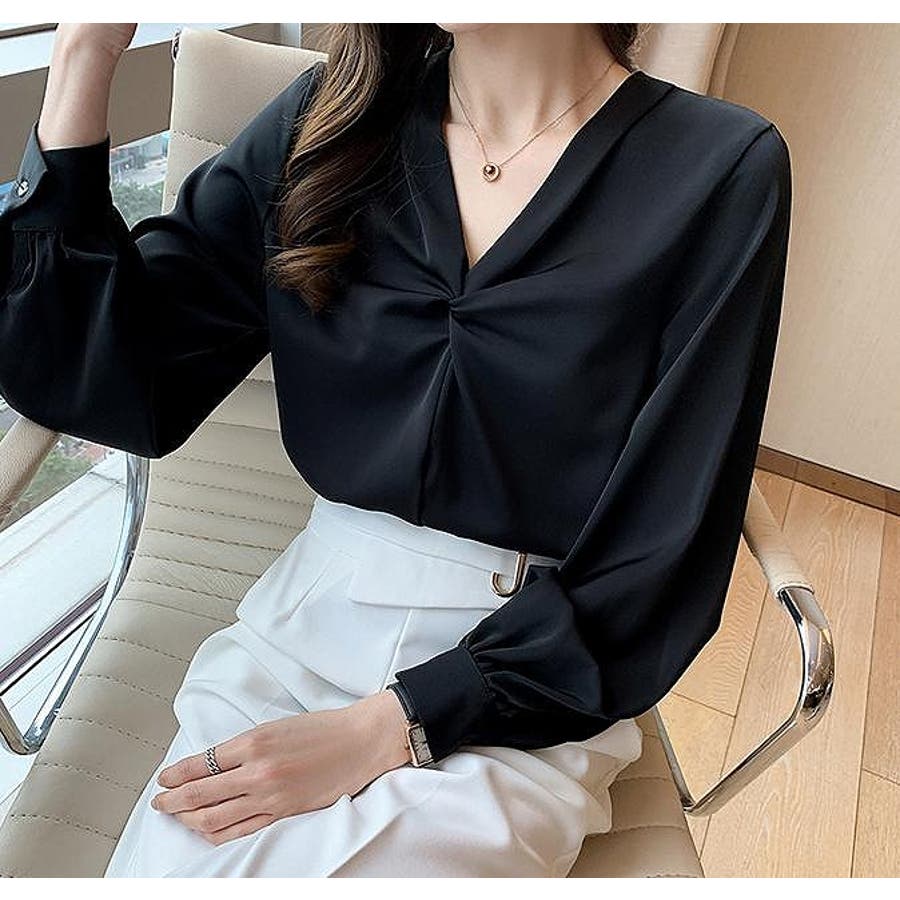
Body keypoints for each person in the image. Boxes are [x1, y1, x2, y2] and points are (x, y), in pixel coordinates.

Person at [0, 22, 792, 877]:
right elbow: (112, 380)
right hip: (299, 635)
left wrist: (396, 723)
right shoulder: (330, 120)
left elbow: (660, 561)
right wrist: (84, 54)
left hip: (526, 676)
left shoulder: (719, 169)